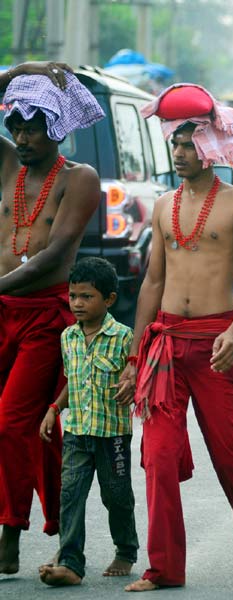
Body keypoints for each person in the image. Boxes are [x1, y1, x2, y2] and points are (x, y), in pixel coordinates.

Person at [119, 83, 233, 591]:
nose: (181, 153)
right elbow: (152, 282)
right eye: (176, 144)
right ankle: (164, 568)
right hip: (166, 342)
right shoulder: (165, 205)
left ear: (212, 148)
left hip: (217, 341)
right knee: (158, 456)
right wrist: (133, 355)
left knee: (227, 449)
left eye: (190, 144)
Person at [0, 61, 103, 575]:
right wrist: (28, 69)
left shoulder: (78, 178)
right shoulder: (6, 167)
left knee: (12, 422)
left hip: (44, 318)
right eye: (14, 126)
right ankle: (65, 527)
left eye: (32, 127)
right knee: (34, 433)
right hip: (2, 312)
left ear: (56, 127)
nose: (20, 137)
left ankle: (10, 532)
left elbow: (57, 253)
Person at [37, 258, 138, 586]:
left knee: (117, 496)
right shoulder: (68, 338)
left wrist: (131, 383)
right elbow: (72, 380)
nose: (77, 303)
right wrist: (54, 408)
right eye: (73, 296)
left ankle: (125, 549)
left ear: (108, 300)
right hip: (78, 433)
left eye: (86, 296)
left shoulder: (124, 338)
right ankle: (70, 560)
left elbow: (135, 377)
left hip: (113, 436)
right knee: (71, 494)